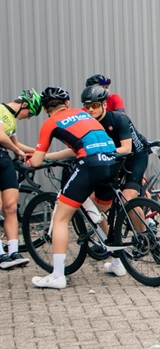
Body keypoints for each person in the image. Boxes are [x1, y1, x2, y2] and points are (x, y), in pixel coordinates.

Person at [28, 87, 118, 289]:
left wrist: (31, 160)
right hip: (112, 160)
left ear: (44, 109)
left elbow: (35, 162)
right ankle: (118, 262)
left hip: (90, 164)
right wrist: (51, 157)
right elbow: (76, 147)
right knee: (97, 212)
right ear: (67, 103)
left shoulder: (50, 123)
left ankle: (58, 276)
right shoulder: (82, 114)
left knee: (60, 217)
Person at [79, 85, 151, 276]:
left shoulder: (119, 119)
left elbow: (127, 148)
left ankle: (144, 238)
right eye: (87, 107)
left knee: (128, 198)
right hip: (111, 160)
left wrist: (98, 152)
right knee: (99, 208)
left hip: (134, 157)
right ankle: (114, 244)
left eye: (94, 105)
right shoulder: (87, 123)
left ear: (104, 104)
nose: (91, 110)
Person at [0, 89, 41, 269]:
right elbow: (1, 136)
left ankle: (13, 250)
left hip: (4, 159)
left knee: (10, 206)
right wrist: (17, 151)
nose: (29, 117)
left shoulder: (12, 119)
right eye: (30, 113)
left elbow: (16, 144)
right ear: (24, 104)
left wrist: (38, 152)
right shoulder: (0, 110)